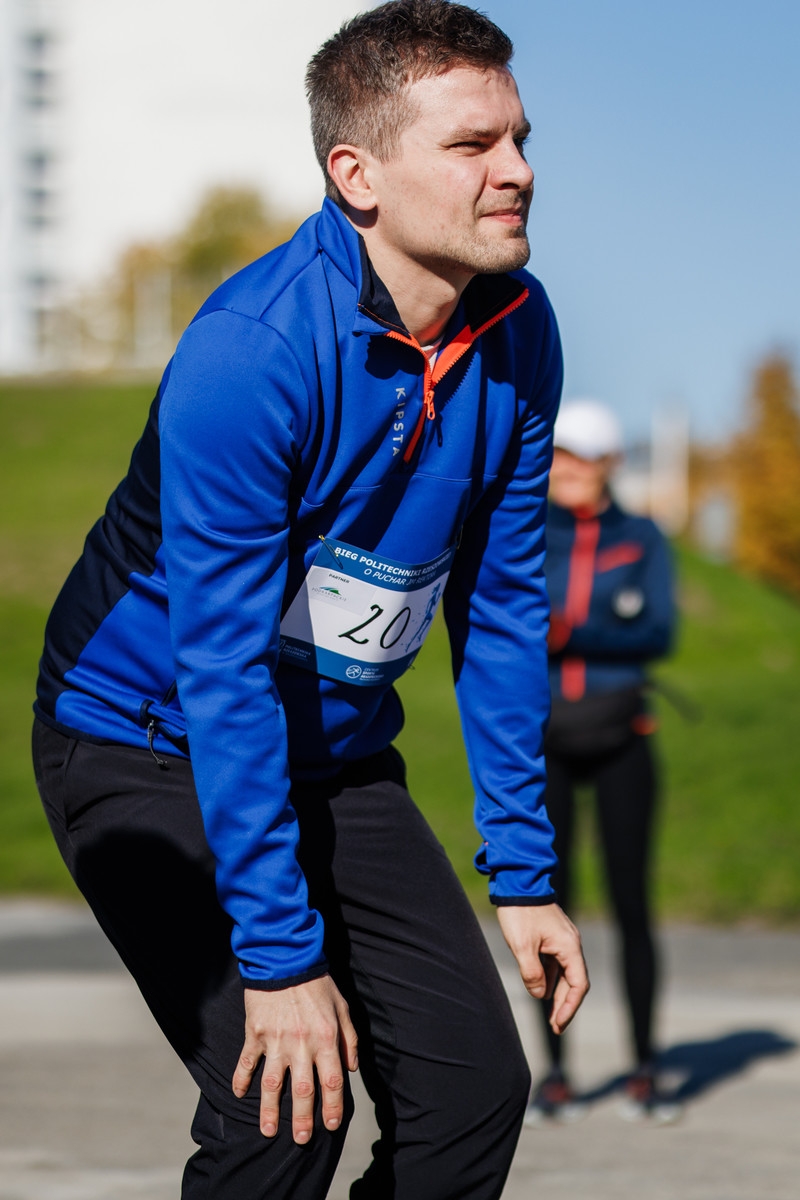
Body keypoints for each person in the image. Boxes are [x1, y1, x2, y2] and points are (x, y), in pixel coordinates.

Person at [32, 3, 589, 1197]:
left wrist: (524, 872)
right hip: (146, 741)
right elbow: (220, 668)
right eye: (471, 145)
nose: (515, 172)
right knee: (282, 1106)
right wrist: (281, 964)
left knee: (471, 1092)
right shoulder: (253, 350)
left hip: (330, 754)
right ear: (356, 175)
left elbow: (499, 609)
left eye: (518, 139)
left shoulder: (519, 330)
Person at [523, 397, 677, 1126]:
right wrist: (589, 627)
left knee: (631, 904)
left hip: (623, 738)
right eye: (561, 454)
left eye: (585, 456)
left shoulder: (641, 536)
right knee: (550, 904)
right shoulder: (525, 528)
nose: (570, 468)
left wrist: (568, 631)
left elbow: (656, 630)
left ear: (610, 462)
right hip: (546, 741)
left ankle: (645, 1067)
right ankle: (556, 1074)